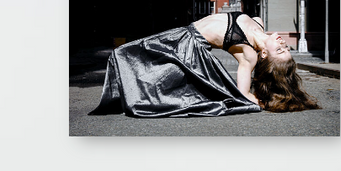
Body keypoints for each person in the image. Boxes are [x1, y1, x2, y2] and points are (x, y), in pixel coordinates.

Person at [90, 12, 320, 117]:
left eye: (279, 50)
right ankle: (128, 95)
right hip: (180, 34)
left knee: (127, 55)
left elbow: (242, 93)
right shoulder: (258, 23)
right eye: (285, 48)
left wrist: (259, 100)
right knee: (135, 59)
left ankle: (126, 98)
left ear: (263, 56)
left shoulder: (248, 55)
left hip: (186, 47)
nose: (282, 43)